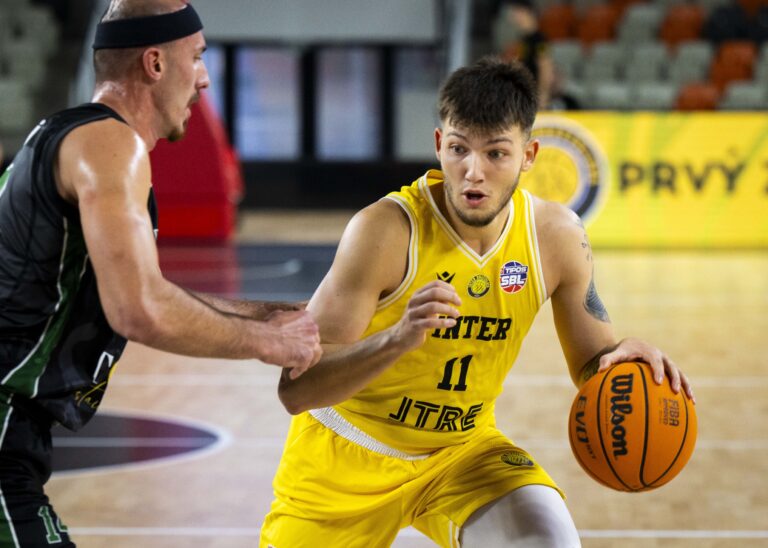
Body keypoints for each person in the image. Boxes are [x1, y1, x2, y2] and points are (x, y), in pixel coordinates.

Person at [260, 57, 694, 547]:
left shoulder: (556, 238)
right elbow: (296, 390)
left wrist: (622, 360)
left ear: (529, 155)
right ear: (439, 144)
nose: (473, 173)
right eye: (460, 149)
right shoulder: (384, 232)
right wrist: (397, 339)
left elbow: (593, 363)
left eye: (496, 154)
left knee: (549, 541)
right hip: (344, 455)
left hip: (462, 453)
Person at [0, 1, 321, 545]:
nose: (204, 77)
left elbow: (139, 291)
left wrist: (268, 312)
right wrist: (265, 341)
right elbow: (138, 308)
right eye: (195, 57)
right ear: (154, 63)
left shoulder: (73, 135)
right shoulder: (111, 144)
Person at [496, 0, 556, 109]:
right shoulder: (522, 40)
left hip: (534, 95)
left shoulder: (540, 40)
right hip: (525, 94)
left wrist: (543, 94)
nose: (514, 17)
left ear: (527, 12)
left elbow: (545, 67)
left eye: (517, 13)